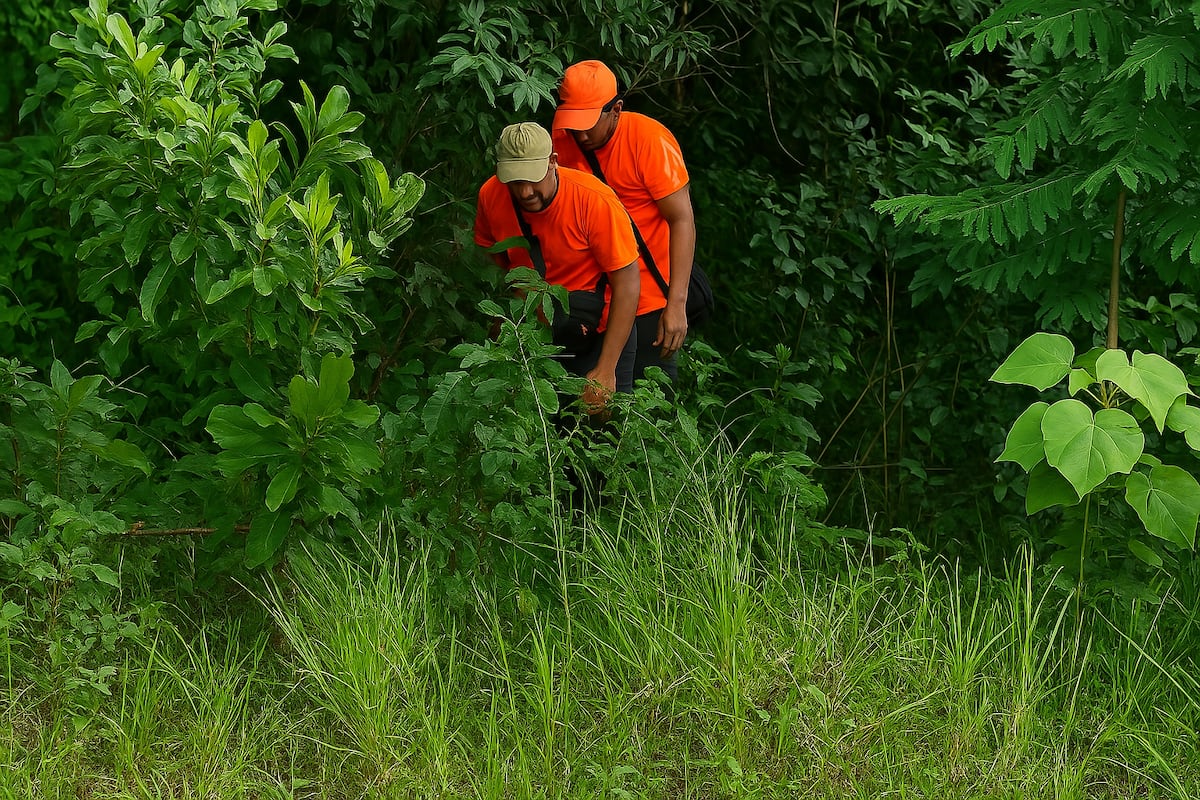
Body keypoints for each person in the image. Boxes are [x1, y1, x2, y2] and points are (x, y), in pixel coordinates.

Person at [474, 122, 641, 407]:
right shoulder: (491, 195)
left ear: (553, 162)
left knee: (601, 425)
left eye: (533, 177)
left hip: (600, 329)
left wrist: (606, 368)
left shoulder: (593, 200)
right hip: (535, 330)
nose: (525, 191)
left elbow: (627, 284)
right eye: (515, 181)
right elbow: (496, 257)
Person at [552, 59, 696, 383]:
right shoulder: (562, 141)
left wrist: (676, 304)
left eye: (589, 121)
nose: (580, 132)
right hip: (589, 303)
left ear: (616, 109)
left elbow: (682, 219)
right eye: (573, 121)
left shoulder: (648, 140)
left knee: (648, 408)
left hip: (648, 301)